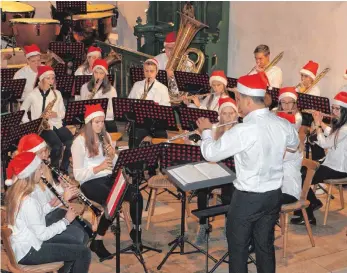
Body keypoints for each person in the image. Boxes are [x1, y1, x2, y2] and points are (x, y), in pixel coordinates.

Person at [197, 72, 299, 273]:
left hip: (247, 198)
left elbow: (211, 154)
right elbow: (294, 146)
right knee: (265, 247)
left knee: (239, 250)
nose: (238, 104)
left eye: (239, 100)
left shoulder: (243, 130)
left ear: (247, 100)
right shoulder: (282, 123)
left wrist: (207, 132)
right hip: (273, 195)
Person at [71, 104, 144, 259]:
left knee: (136, 195)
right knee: (113, 202)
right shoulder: (79, 142)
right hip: (90, 182)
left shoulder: (106, 136)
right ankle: (97, 240)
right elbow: (78, 175)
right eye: (96, 122)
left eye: (102, 121)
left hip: (109, 177)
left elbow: (116, 163)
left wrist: (114, 154)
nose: (100, 125)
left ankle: (137, 232)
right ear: (89, 123)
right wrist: (99, 167)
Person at [4, 152, 91, 273]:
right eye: (39, 169)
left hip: (29, 243)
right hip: (30, 251)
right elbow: (43, 235)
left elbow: (35, 217)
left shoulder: (20, 193)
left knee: (76, 243)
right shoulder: (28, 201)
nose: (41, 171)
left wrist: (51, 205)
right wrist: (66, 220)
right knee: (84, 253)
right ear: (31, 173)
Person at [14, 133, 89, 245]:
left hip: (50, 212)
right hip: (41, 222)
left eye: (46, 151)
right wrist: (63, 198)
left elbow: (51, 198)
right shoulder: (29, 179)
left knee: (85, 231)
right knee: (79, 236)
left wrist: (62, 187)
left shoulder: (44, 169)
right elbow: (40, 210)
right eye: (41, 153)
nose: (46, 155)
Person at [291, 91, 347, 225]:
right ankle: (312, 203)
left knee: (301, 177)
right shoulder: (342, 126)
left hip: (338, 169)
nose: (333, 111)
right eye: (332, 108)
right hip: (331, 164)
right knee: (300, 173)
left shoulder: (345, 129)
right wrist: (321, 122)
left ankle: (308, 215)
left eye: (337, 109)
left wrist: (316, 124)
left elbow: (325, 143)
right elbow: (331, 133)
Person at [195, 97, 238, 245]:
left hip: (232, 173)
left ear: (236, 114)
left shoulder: (239, 131)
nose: (228, 117)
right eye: (225, 113)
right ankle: (204, 225)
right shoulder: (213, 129)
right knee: (201, 190)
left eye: (231, 113)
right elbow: (206, 150)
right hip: (214, 170)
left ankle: (229, 224)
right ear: (220, 115)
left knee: (229, 192)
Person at [20, 66, 73, 173]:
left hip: (56, 124)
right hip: (42, 127)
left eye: (53, 78)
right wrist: (30, 124)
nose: (51, 81)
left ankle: (63, 168)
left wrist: (55, 114)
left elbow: (63, 113)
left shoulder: (56, 94)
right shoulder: (32, 95)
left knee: (71, 141)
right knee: (57, 146)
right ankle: (53, 170)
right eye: (48, 78)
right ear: (41, 79)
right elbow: (22, 111)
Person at [128, 58, 170, 148]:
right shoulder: (137, 85)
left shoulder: (162, 88)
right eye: (146, 71)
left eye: (152, 71)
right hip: (140, 122)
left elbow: (167, 110)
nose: (149, 74)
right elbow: (129, 103)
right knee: (134, 139)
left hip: (156, 124)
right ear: (143, 71)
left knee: (162, 141)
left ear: (157, 72)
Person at [78, 59, 118, 132]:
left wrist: (99, 114)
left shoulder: (111, 90)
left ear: (105, 75)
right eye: (96, 73)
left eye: (101, 73)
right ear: (93, 73)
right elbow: (82, 107)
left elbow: (112, 112)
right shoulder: (84, 87)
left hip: (106, 120)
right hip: (90, 119)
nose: (98, 76)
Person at [276, 112, 303, 204]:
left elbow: (273, 160)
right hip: (278, 188)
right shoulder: (282, 140)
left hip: (289, 192)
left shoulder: (292, 143)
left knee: (261, 201)